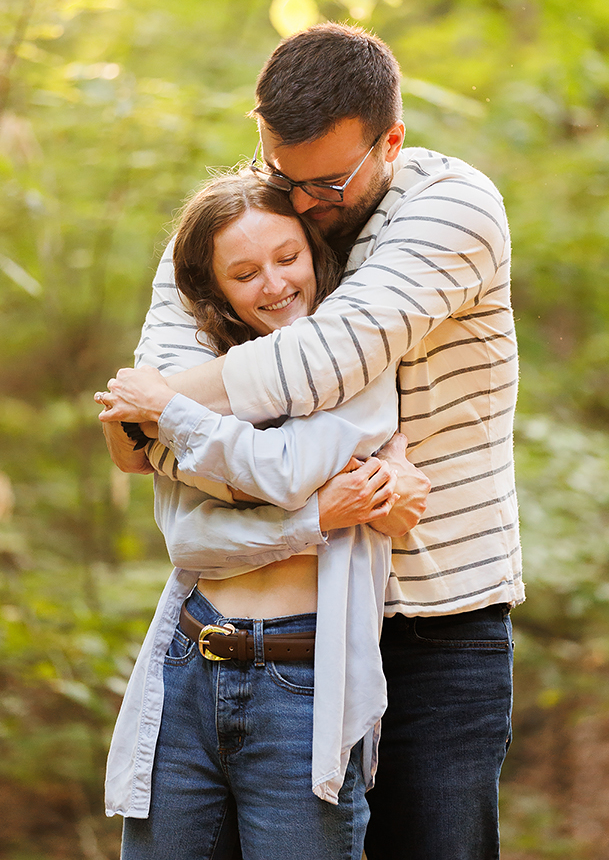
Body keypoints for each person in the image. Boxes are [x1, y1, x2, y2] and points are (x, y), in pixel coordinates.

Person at [101, 22, 522, 860]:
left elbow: (325, 362)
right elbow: (164, 365)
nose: (296, 204)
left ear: (389, 141)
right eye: (278, 173)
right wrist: (154, 425)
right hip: (285, 617)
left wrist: (149, 414)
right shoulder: (249, 214)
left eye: (324, 183)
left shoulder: (451, 205)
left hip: (433, 616)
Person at [99, 173, 419, 860]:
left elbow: (282, 473)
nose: (274, 283)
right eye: (244, 273)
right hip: (191, 654)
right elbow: (190, 542)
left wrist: (171, 414)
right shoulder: (198, 368)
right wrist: (312, 521)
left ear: (315, 250)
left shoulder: (357, 364)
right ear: (215, 289)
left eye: (287, 257)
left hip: (302, 677)